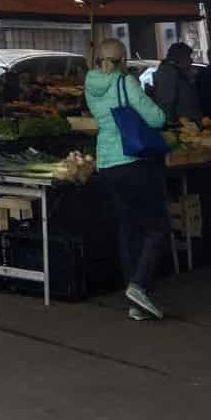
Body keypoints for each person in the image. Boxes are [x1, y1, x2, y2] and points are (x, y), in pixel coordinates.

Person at [84, 37, 171, 321]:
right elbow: (156, 118)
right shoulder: (126, 83)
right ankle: (140, 285)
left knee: (127, 228)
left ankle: (135, 301)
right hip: (132, 161)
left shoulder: (90, 84)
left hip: (107, 163)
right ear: (123, 61)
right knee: (156, 227)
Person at [152, 42, 202, 125]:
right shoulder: (168, 74)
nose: (191, 60)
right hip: (180, 127)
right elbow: (166, 104)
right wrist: (173, 125)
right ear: (179, 58)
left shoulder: (179, 73)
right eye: (188, 57)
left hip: (188, 124)